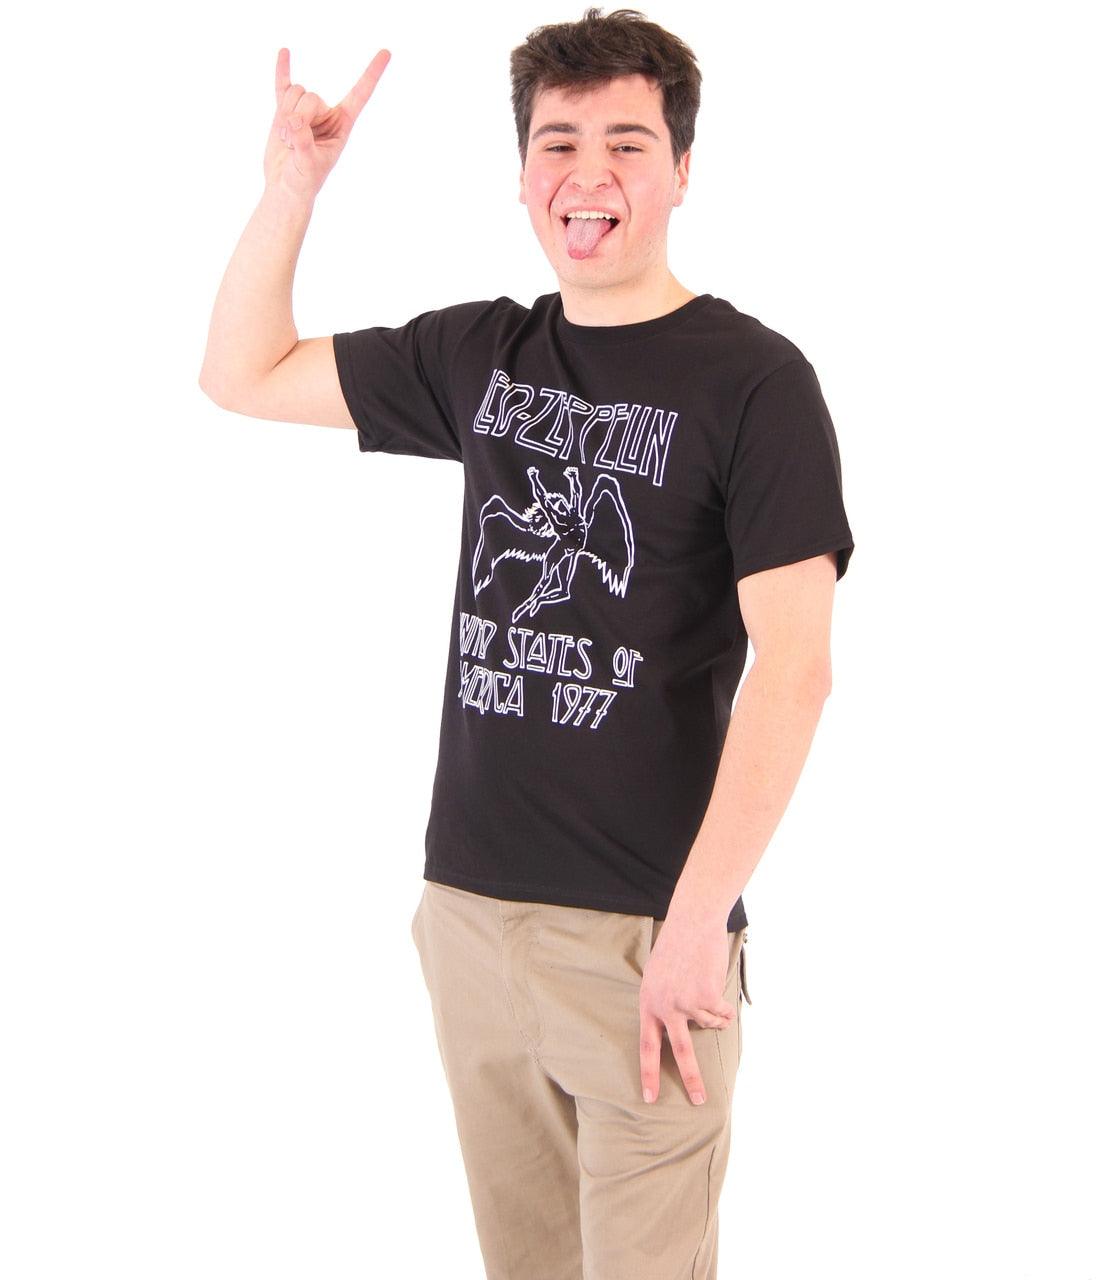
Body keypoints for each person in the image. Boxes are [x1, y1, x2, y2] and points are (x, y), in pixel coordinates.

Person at [199, 8, 855, 1277]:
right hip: (470, 917)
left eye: (627, 142)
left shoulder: (755, 382)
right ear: (521, 175)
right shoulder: (480, 352)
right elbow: (242, 372)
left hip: (644, 940)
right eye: (558, 142)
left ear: (680, 170)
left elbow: (798, 667)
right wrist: (291, 191)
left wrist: (692, 925)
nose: (588, 172)